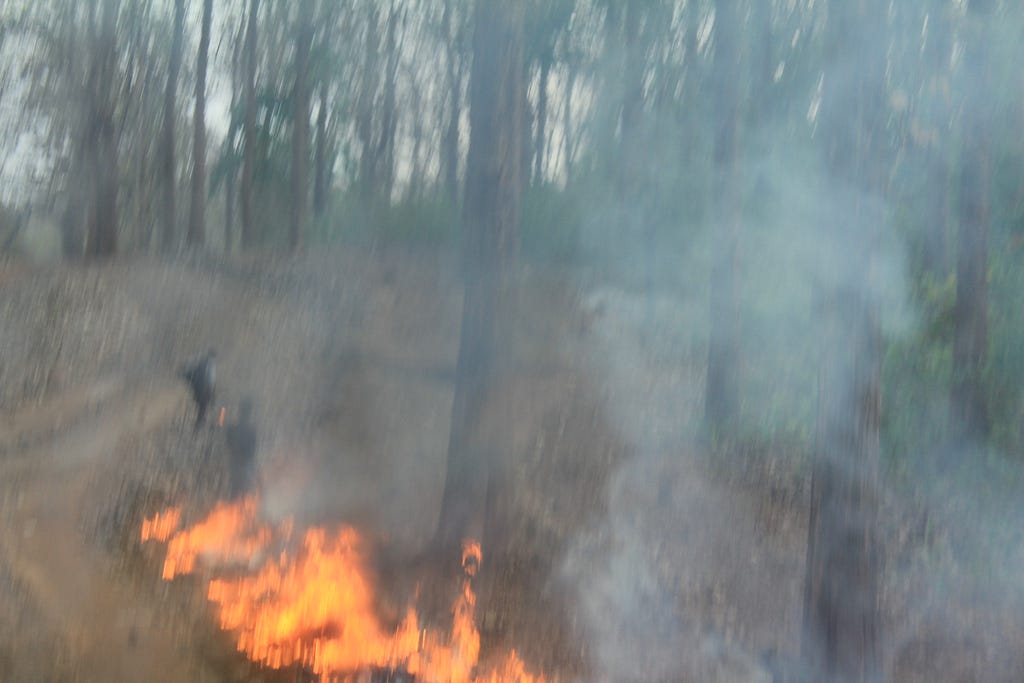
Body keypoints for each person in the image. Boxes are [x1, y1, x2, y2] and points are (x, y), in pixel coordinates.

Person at [226, 398, 258, 499]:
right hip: (240, 465)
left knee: (240, 490)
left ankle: (237, 509)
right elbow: (252, 450)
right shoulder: (248, 430)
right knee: (241, 490)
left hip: (240, 465)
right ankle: (236, 509)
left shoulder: (233, 428)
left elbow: (252, 451)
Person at [180, 349, 216, 431]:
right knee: (202, 408)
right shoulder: (211, 365)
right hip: (203, 390)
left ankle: (199, 424)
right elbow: (210, 381)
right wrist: (212, 395)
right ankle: (198, 427)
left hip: (196, 388)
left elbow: (189, 367)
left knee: (201, 408)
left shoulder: (202, 361)